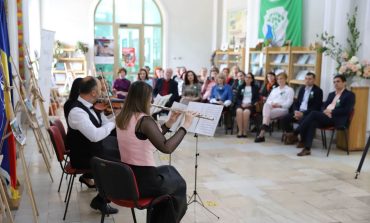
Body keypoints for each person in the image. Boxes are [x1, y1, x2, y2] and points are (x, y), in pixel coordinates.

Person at [116, 81, 195, 223]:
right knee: (179, 184)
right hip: (143, 182)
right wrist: (186, 125)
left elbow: (147, 137)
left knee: (170, 170)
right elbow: (166, 148)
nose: (152, 100)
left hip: (128, 177)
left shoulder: (123, 117)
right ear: (144, 99)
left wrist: (170, 122)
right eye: (150, 96)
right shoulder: (144, 120)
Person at [66, 76, 118, 214]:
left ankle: (101, 199)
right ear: (93, 92)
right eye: (101, 89)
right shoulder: (77, 111)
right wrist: (114, 122)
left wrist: (117, 117)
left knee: (122, 152)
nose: (102, 92)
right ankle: (103, 199)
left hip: (93, 151)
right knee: (121, 164)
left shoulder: (92, 106)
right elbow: (95, 136)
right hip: (83, 156)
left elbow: (105, 123)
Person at [295, 74, 355, 156]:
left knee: (313, 113)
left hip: (336, 119)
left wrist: (331, 111)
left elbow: (347, 110)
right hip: (326, 117)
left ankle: (295, 132)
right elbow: (323, 105)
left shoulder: (349, 95)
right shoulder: (331, 94)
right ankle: (307, 149)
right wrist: (324, 111)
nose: (336, 84)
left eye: (338, 81)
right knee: (312, 122)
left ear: (344, 83)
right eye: (334, 82)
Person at [281, 72, 323, 144]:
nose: (307, 80)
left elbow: (316, 107)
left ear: (314, 80)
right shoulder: (302, 89)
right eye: (306, 79)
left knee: (303, 121)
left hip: (308, 113)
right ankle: (293, 137)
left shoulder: (318, 91)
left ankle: (302, 140)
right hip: (298, 111)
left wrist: (302, 113)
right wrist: (296, 111)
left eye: (310, 79)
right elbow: (296, 102)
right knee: (284, 119)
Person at [255, 72, 294, 142]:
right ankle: (264, 129)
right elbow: (268, 101)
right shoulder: (275, 89)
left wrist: (279, 105)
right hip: (272, 107)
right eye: (278, 79)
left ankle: (262, 133)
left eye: (281, 78)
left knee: (266, 115)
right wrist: (272, 104)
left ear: (285, 79)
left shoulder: (289, 90)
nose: (279, 80)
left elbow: (289, 103)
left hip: (283, 109)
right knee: (266, 105)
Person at [234, 72, 259, 138]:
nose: (247, 78)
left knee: (246, 112)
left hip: (250, 105)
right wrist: (241, 104)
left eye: (249, 77)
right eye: (246, 77)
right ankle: (240, 131)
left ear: (252, 79)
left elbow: (256, 98)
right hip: (241, 104)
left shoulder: (255, 88)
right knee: (239, 111)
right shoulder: (241, 87)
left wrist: (250, 104)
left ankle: (245, 131)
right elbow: (237, 98)